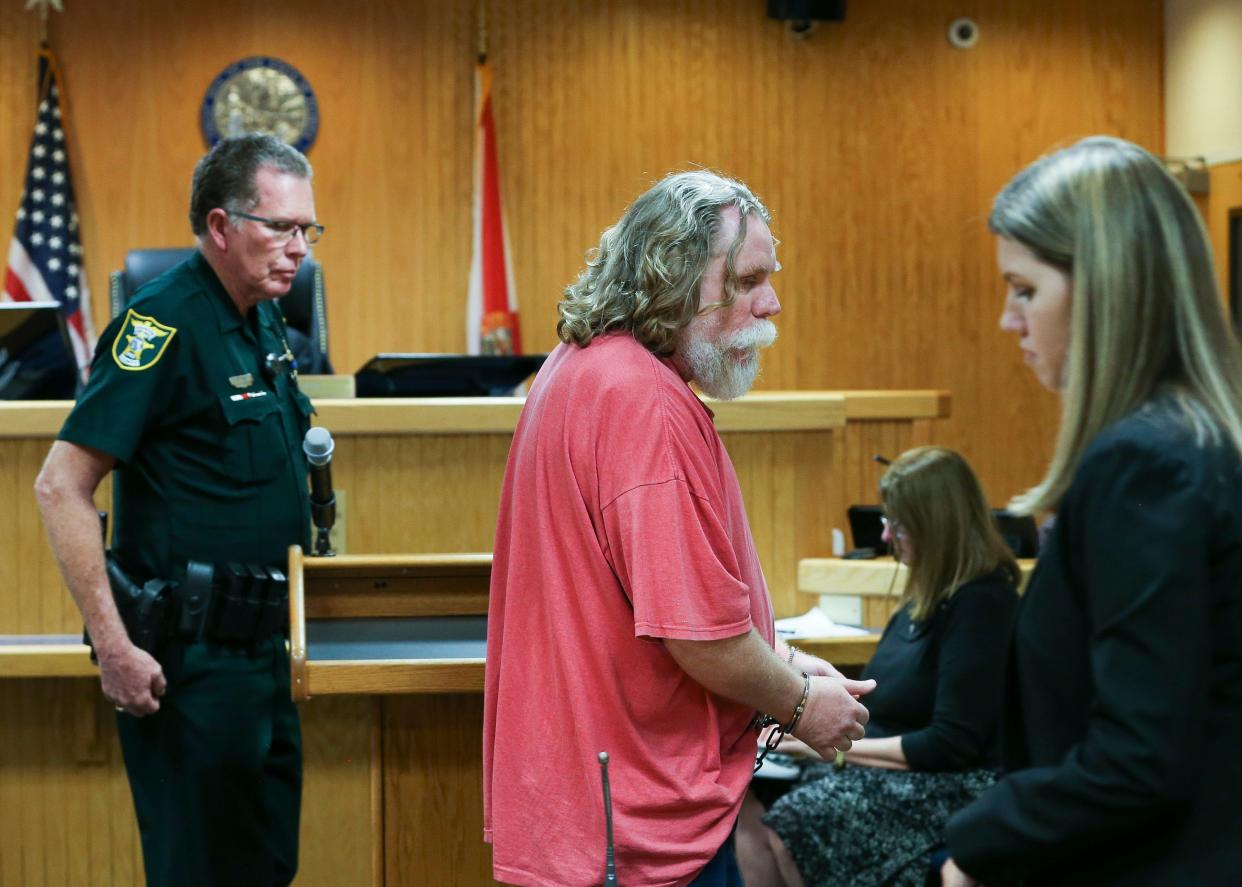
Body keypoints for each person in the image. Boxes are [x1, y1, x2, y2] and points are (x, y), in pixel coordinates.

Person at [483, 170, 876, 887]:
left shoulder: (578, 369)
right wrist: (798, 702)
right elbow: (699, 635)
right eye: (750, 278)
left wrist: (782, 658)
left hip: (591, 814)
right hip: (638, 834)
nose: (772, 303)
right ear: (678, 278)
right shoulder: (645, 404)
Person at [939, 136, 1242, 886]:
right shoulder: (1197, 439)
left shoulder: (1143, 460)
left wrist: (973, 844)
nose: (1010, 321)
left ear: (1107, 288)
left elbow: (1138, 759)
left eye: (1025, 290)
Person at [33, 133, 322, 887]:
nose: (299, 249)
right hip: (189, 664)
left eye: (307, 230)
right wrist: (115, 643)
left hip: (265, 655)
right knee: (200, 870)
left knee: (265, 866)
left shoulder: (263, 318)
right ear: (221, 227)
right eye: (281, 227)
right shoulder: (160, 323)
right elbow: (60, 484)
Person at [737, 446, 1021, 887]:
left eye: (898, 525)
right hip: (892, 767)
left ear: (936, 526)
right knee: (744, 797)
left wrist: (826, 749)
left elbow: (949, 746)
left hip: (954, 783)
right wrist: (801, 721)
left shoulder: (982, 605)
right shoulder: (923, 600)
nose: (886, 537)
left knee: (797, 818)